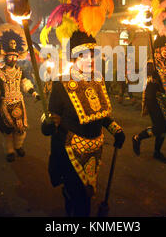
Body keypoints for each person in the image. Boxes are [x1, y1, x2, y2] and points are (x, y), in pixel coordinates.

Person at [41, 31, 125, 217]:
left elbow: (101, 114)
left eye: (92, 55)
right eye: (83, 56)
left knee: (87, 191)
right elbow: (49, 116)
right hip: (72, 150)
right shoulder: (61, 83)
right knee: (81, 202)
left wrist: (116, 130)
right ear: (74, 58)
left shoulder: (97, 79)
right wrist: (47, 125)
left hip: (95, 150)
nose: (90, 60)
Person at [132, 35, 166, 164]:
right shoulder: (151, 62)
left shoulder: (164, 62)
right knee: (159, 127)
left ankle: (157, 152)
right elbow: (149, 74)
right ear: (158, 49)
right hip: (153, 98)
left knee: (164, 128)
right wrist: (152, 74)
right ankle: (137, 138)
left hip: (165, 99)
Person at [0, 35, 40, 163]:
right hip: (5, 104)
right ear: (5, 57)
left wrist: (35, 94)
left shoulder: (20, 70)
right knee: (7, 130)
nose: (13, 59)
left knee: (20, 128)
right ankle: (10, 151)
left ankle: (18, 146)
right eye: (10, 56)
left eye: (15, 57)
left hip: (19, 103)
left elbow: (25, 84)